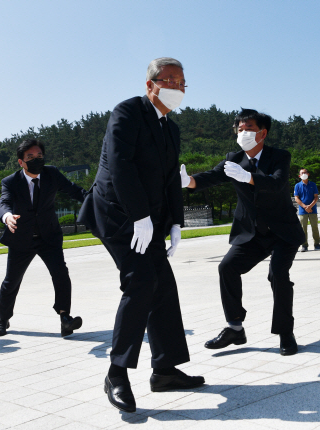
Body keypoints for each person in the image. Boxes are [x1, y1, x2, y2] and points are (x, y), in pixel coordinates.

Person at [78, 57, 204, 413]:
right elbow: (121, 165)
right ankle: (116, 373)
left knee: (162, 283)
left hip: (146, 218)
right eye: (170, 80)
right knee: (142, 281)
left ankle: (165, 369)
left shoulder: (171, 129)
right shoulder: (128, 112)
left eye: (182, 82)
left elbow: (170, 179)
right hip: (118, 213)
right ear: (150, 85)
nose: (177, 87)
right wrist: (140, 216)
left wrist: (176, 221)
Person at [181, 108, 305, 357]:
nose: (243, 133)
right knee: (227, 267)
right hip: (252, 233)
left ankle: (285, 332)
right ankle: (235, 327)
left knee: (278, 275)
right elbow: (212, 177)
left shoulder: (279, 156)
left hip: (282, 231)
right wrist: (187, 181)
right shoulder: (233, 158)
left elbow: (278, 182)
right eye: (240, 129)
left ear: (263, 133)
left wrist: (249, 177)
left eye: (249, 129)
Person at [0, 139, 86, 338]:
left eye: (39, 156)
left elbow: (74, 190)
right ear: (21, 162)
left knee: (61, 274)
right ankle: (3, 319)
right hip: (21, 239)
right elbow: (4, 202)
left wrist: (95, 201)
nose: (36, 160)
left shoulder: (51, 174)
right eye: (30, 157)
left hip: (49, 237)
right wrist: (7, 216)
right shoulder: (10, 182)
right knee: (11, 281)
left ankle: (65, 318)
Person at [294, 168, 320, 252]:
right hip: (302, 211)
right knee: (303, 229)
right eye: (302, 173)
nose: (304, 174)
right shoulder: (297, 186)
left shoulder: (313, 184)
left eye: (305, 172)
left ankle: (317, 244)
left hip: (313, 210)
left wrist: (310, 206)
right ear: (299, 176)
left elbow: (316, 197)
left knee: (315, 227)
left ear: (308, 174)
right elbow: (296, 198)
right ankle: (304, 245)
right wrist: (305, 207)